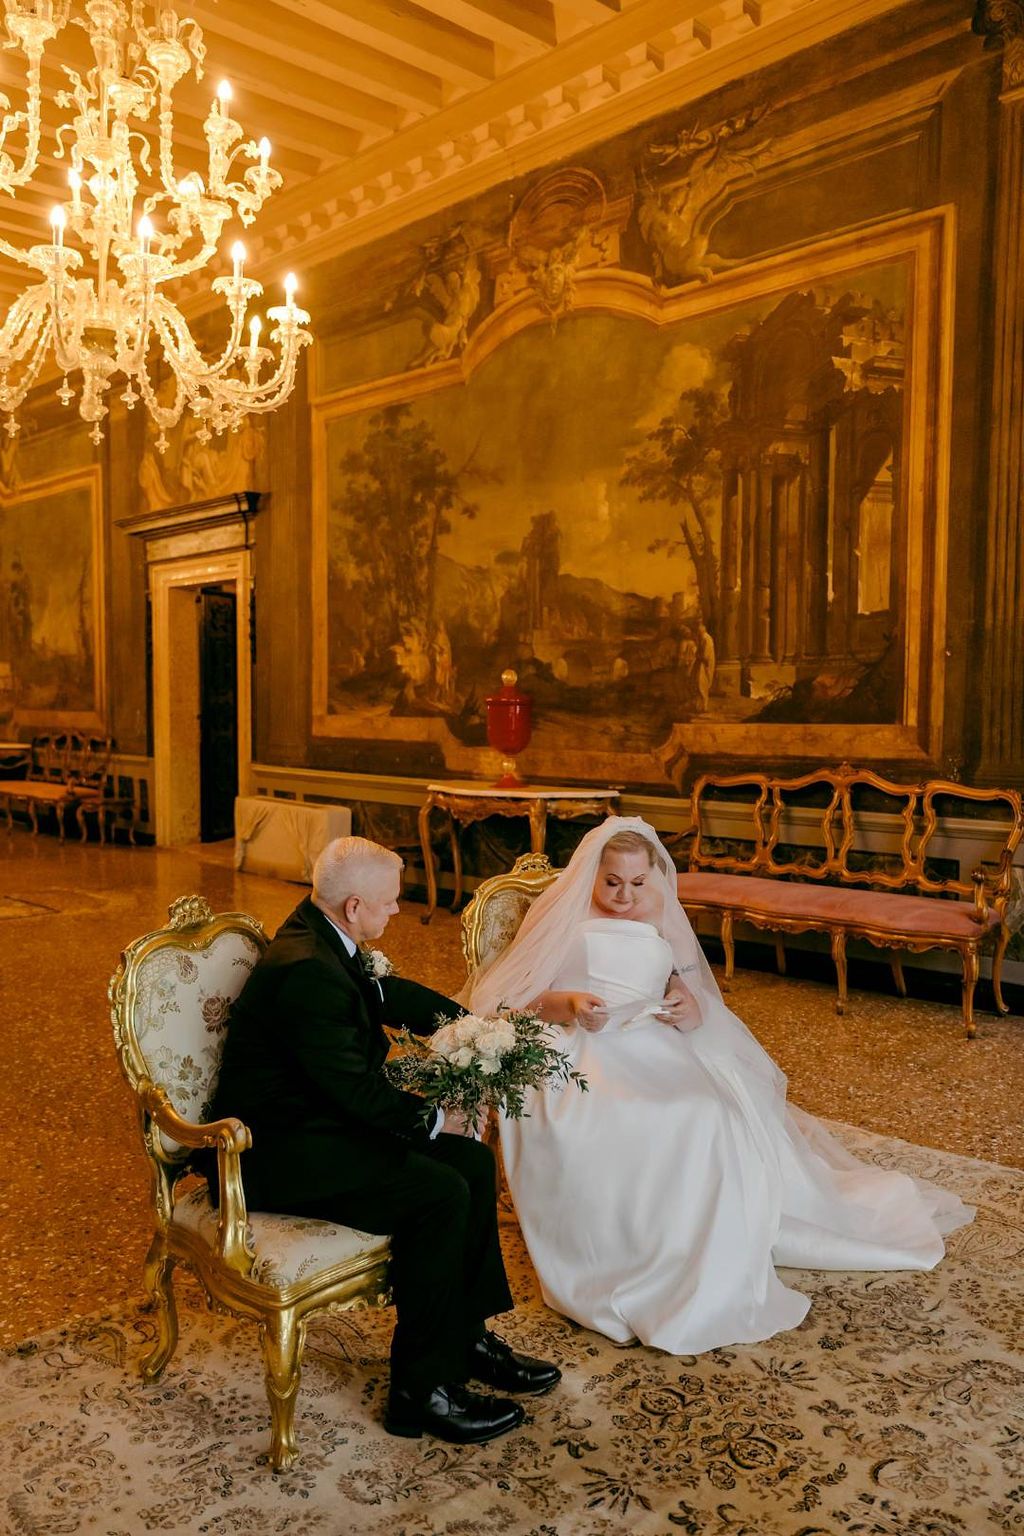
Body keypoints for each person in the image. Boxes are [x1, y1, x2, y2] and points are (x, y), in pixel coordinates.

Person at [464, 817, 973, 1355]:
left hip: (652, 1035)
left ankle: (694, 1246)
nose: (625, 895)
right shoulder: (562, 912)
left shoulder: (659, 908)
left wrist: (688, 1003)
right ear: (592, 871)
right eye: (613, 881)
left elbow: (685, 984)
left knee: (706, 1108)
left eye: (637, 883)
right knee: (622, 1114)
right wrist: (568, 1004)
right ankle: (625, 1255)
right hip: (579, 1041)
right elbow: (515, 1000)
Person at [208, 835, 560, 1443]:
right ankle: (419, 1392)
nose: (397, 911)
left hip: (320, 1123)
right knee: (439, 1192)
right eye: (390, 902)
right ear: (353, 908)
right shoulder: (306, 972)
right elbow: (352, 1091)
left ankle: (464, 1338)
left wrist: (471, 1023)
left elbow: (384, 994)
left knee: (472, 1163)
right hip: (280, 1154)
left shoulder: (324, 933)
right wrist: (433, 1118)